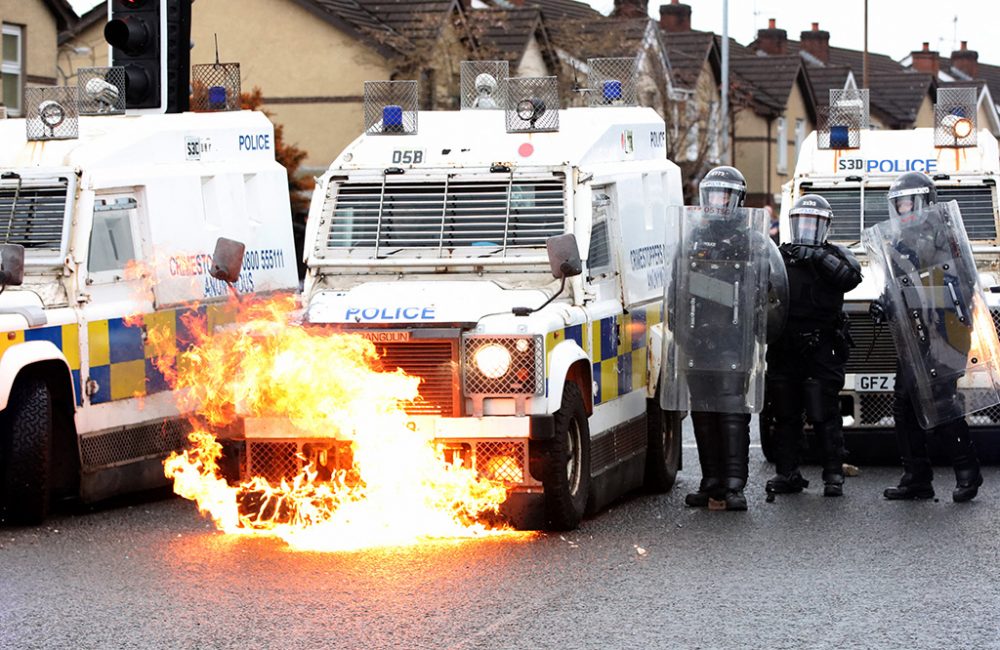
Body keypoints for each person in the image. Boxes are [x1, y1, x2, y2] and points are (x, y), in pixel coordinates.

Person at [868, 171, 983, 502]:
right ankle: (916, 476)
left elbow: (962, 286)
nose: (904, 210)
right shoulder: (897, 241)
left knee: (942, 401)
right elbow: (896, 287)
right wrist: (885, 304)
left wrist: (916, 294)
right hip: (913, 334)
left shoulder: (946, 238)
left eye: (908, 202)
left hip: (945, 332)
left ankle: (967, 472)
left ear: (925, 201)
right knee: (904, 405)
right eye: (899, 204)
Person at [764, 194, 862, 498]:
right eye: (803, 222)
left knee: (824, 411)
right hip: (785, 343)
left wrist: (819, 257)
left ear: (825, 226)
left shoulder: (835, 256)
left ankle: (833, 474)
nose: (807, 228)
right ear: (793, 224)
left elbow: (850, 278)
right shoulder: (779, 256)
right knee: (785, 411)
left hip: (822, 345)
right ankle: (787, 473)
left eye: (814, 222)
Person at [681, 166, 758, 511]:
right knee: (703, 410)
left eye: (724, 195)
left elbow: (759, 289)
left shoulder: (748, 239)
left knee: (731, 410)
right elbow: (677, 283)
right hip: (697, 339)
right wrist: (679, 324)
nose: (717, 202)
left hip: (732, 337)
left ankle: (734, 484)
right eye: (712, 194)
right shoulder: (692, 238)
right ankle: (710, 479)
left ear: (737, 200)